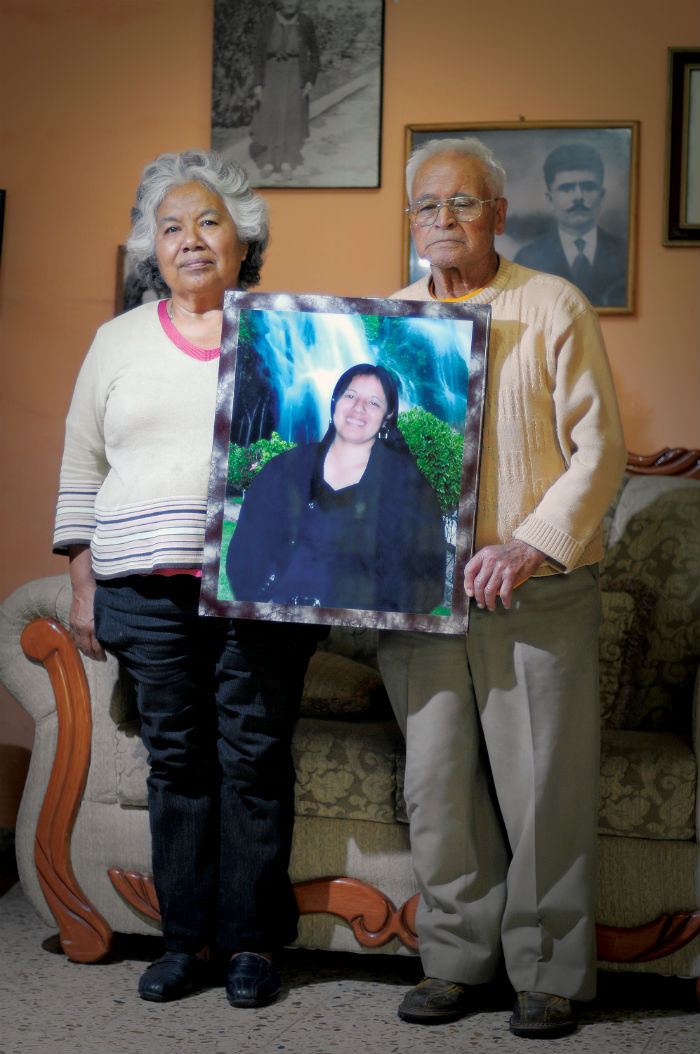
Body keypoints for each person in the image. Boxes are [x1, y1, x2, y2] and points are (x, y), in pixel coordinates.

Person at [53, 148, 323, 1008]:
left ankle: (250, 945)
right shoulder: (117, 341)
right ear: (152, 249)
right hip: (145, 587)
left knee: (254, 759)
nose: (192, 239)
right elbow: (82, 462)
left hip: (260, 584)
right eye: (171, 227)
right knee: (177, 761)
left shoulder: (288, 334)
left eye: (210, 222)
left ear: (244, 240)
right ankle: (183, 941)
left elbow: (323, 452)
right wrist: (84, 580)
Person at [377, 137, 627, 1039]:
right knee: (436, 789)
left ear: (499, 214)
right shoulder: (390, 320)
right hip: (422, 598)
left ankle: (550, 973)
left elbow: (601, 452)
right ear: (411, 222)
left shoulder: (553, 303)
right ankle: (454, 961)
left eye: (464, 202)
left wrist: (528, 545)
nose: (444, 219)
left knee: (543, 792)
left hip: (536, 588)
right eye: (428, 205)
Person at [226, 364, 446, 614]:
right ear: (335, 402)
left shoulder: (410, 490)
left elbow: (426, 580)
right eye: (350, 396)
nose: (358, 408)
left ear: (388, 415)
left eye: (374, 403)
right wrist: (266, 604)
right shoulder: (283, 470)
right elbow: (245, 553)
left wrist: (362, 622)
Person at [514, 143, 628, 306]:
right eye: (566, 189)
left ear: (601, 196)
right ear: (550, 199)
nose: (578, 197)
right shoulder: (527, 258)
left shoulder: (624, 253)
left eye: (588, 187)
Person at [249, 0, 320, 180]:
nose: (291, 3)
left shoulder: (305, 22)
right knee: (271, 116)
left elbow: (315, 53)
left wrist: (310, 80)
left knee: (292, 116)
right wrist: (258, 82)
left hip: (296, 74)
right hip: (271, 74)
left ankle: (287, 162)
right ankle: (270, 162)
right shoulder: (267, 21)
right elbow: (257, 54)